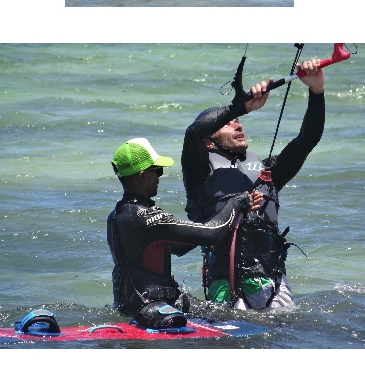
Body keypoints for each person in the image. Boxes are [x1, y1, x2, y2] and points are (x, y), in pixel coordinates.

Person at [181, 60, 325, 310]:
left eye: (238, 120)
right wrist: (241, 106)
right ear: (209, 142)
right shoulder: (200, 176)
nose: (238, 124)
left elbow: (307, 139)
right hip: (225, 292)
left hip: (274, 287)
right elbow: (193, 133)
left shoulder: (269, 172)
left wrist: (316, 90)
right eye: (227, 122)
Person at [107, 136, 262, 329]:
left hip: (133, 307)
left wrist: (216, 219)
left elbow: (178, 247)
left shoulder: (116, 216)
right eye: (157, 171)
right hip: (157, 310)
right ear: (142, 176)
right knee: (241, 320)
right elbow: (212, 234)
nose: (159, 177)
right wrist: (237, 202)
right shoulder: (146, 217)